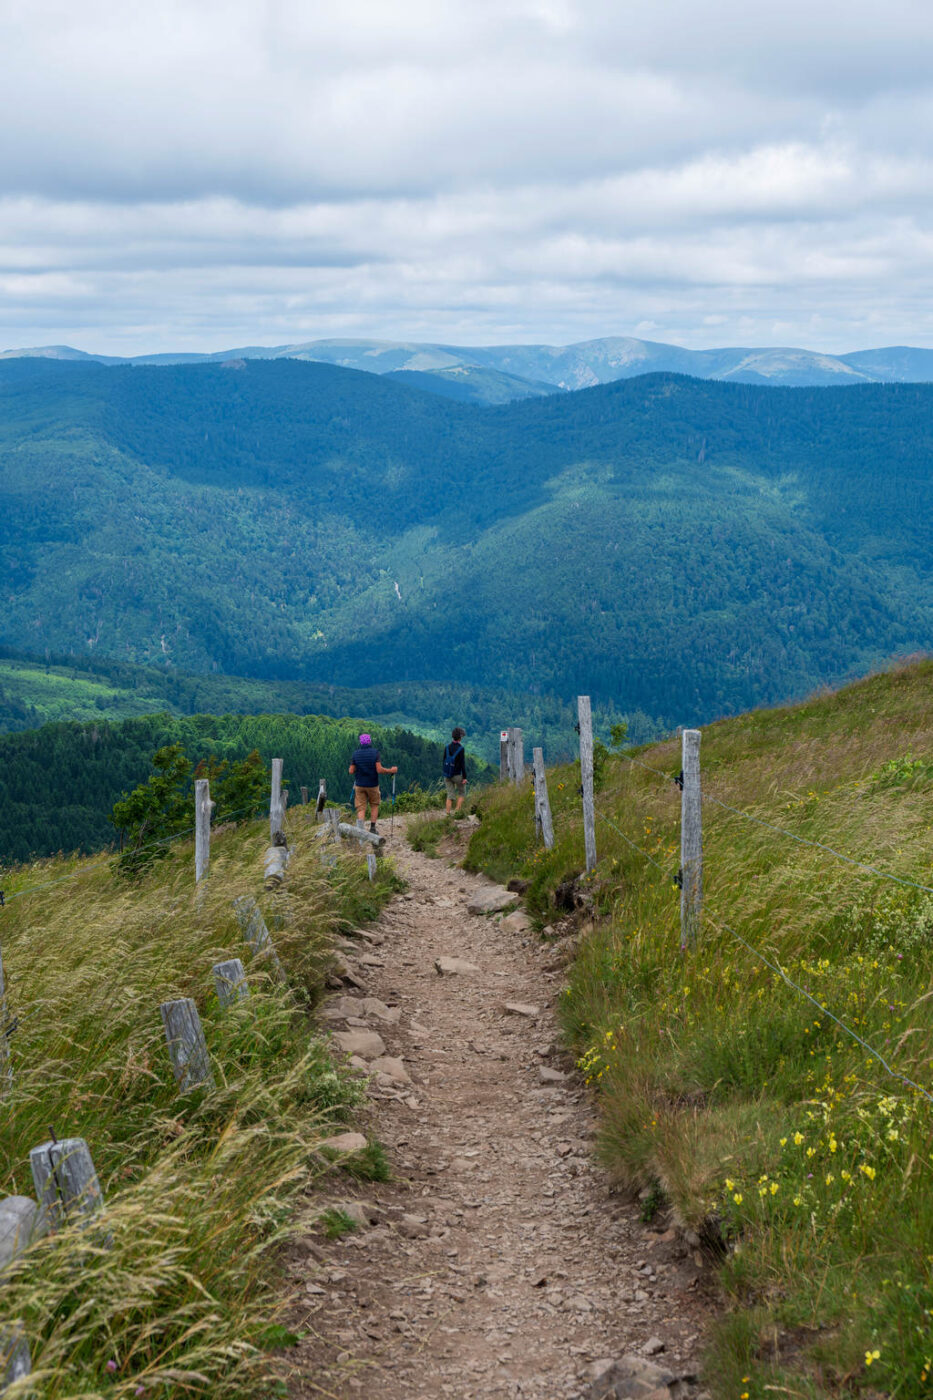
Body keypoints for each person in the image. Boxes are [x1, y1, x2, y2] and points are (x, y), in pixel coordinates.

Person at [348, 733, 397, 833]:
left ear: (360, 742)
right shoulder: (375, 753)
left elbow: (351, 771)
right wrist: (390, 771)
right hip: (372, 784)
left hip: (360, 784)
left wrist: (359, 767)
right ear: (370, 741)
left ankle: (360, 830)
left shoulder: (355, 754)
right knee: (374, 805)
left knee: (361, 808)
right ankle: (373, 828)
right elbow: (379, 770)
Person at [443, 726, 468, 815]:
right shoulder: (461, 749)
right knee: (462, 793)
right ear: (460, 737)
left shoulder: (447, 747)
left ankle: (447, 814)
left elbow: (444, 761)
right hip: (457, 775)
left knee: (450, 795)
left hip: (447, 775)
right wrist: (464, 777)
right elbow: (462, 764)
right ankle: (457, 812)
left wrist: (446, 773)